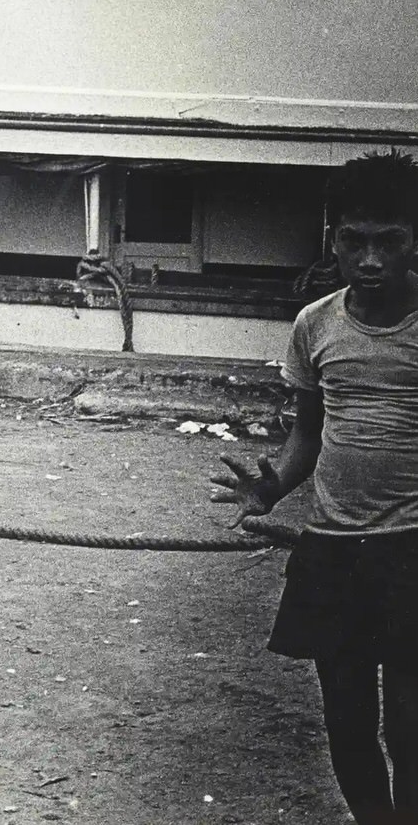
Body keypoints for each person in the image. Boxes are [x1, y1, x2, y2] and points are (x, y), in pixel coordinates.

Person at [211, 150, 418, 825]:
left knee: (410, 732)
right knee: (350, 727)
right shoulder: (316, 325)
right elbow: (308, 436)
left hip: (411, 551)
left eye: (390, 242)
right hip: (332, 551)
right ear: (331, 240)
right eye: (354, 242)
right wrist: (269, 489)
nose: (370, 260)